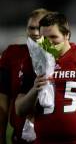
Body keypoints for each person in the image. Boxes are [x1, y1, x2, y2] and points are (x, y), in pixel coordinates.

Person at [15, 12, 76, 144]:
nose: (48, 42)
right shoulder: (34, 61)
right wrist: (34, 89)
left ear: (67, 34)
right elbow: (19, 110)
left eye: (53, 37)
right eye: (44, 38)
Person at [0, 8, 50, 144]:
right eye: (31, 28)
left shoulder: (61, 55)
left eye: (39, 28)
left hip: (53, 135)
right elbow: (2, 102)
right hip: (21, 137)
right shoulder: (13, 55)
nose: (34, 33)